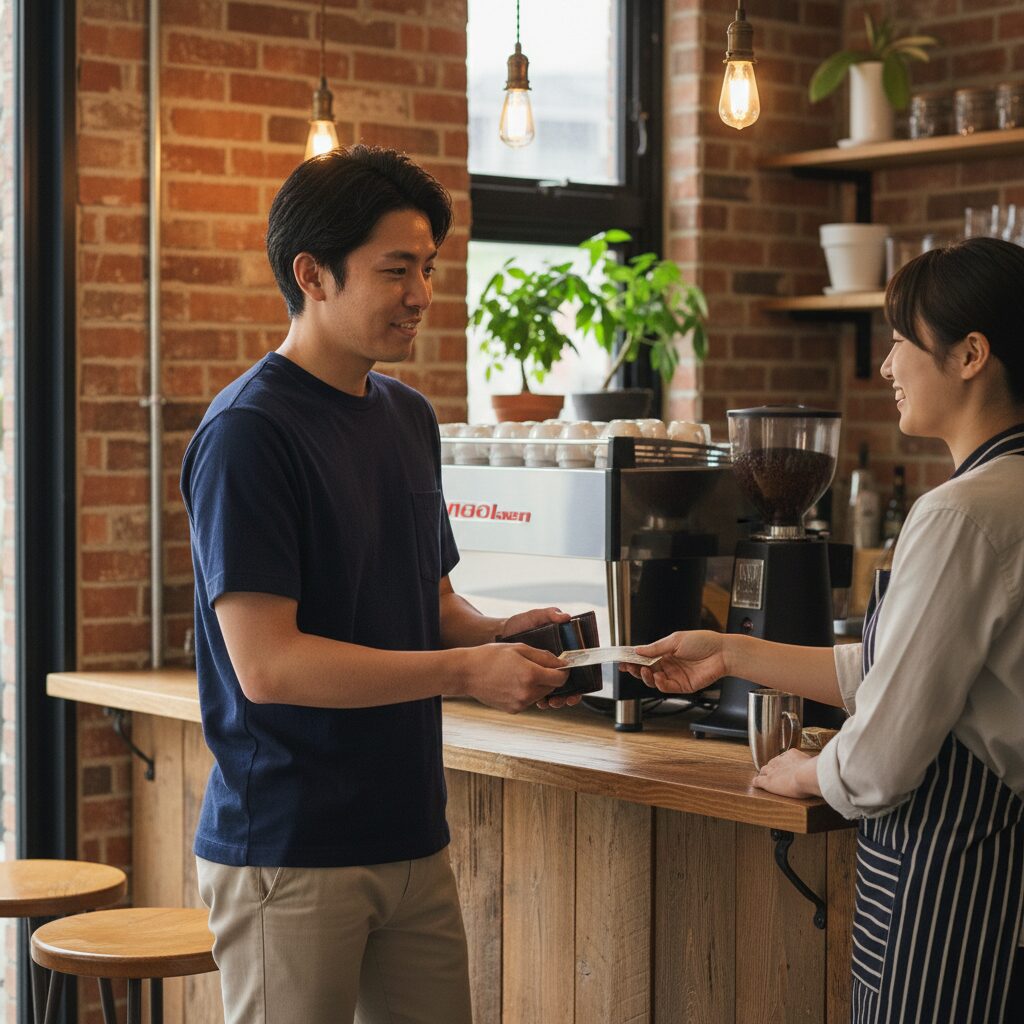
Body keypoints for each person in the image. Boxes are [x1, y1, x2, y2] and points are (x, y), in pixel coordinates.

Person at [180, 145, 573, 1024]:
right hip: (287, 846)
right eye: (397, 270)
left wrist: (503, 637)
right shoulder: (247, 433)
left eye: (428, 268)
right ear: (311, 273)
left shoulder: (407, 416)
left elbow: (430, 609)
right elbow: (269, 668)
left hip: (410, 833)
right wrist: (466, 675)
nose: (422, 295)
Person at [631, 236, 1024, 1023]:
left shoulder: (963, 513)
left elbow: (883, 754)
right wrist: (733, 652)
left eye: (903, 341)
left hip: (961, 883)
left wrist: (808, 772)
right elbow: (903, 665)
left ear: (971, 354)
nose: (886, 366)